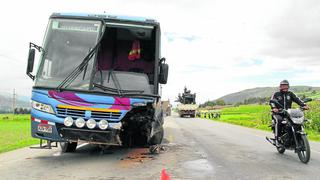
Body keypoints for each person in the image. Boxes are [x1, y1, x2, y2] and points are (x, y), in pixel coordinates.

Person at [269, 80, 309, 145]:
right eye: (283, 86)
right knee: (278, 120)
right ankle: (277, 139)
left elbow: (297, 100)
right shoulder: (276, 94)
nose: (285, 87)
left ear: (288, 86)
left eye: (286, 86)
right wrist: (274, 108)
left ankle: (296, 137)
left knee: (296, 122)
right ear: (280, 86)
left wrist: (304, 105)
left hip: (288, 113)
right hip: (278, 113)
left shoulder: (290, 94)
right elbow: (271, 102)